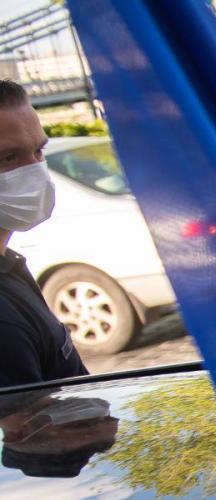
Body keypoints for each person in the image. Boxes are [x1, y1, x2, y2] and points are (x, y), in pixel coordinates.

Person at [0, 80, 86, 388]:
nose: (35, 169)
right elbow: (29, 432)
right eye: (8, 158)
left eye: (38, 151)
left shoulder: (9, 265)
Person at [0, 390, 118, 478]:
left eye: (79, 424)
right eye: (107, 417)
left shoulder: (9, 388)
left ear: (17, 434)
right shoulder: (65, 372)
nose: (96, 411)